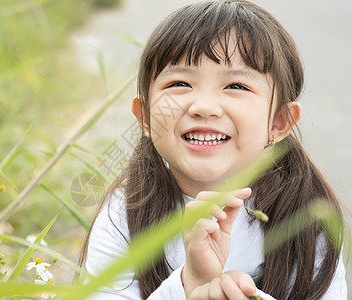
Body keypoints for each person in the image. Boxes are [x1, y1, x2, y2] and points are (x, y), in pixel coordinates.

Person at [77, 0, 348, 299]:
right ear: (145, 117)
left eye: (236, 86)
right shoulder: (124, 214)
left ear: (279, 121)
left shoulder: (306, 219)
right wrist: (190, 282)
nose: (204, 107)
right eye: (179, 83)